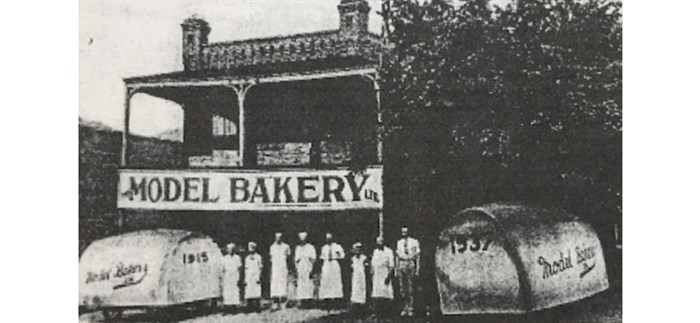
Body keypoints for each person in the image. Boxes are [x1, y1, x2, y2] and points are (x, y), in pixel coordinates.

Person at [396, 226, 421, 317]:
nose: (404, 234)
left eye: (405, 232)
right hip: (402, 264)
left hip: (410, 263)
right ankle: (404, 307)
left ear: (408, 232)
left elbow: (417, 256)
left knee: (410, 287)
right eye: (402, 232)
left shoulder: (414, 242)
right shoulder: (399, 243)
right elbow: (397, 257)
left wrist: (417, 269)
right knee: (403, 288)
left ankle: (410, 308)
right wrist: (397, 269)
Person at [319, 232, 345, 310]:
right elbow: (322, 257)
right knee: (326, 281)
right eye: (327, 238)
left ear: (333, 238)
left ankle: (336, 302)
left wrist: (338, 255)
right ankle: (327, 302)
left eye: (330, 238)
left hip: (334, 263)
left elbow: (343, 256)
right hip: (327, 263)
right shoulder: (324, 247)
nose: (328, 240)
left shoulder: (338, 246)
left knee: (335, 282)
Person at [371, 236, 395, 318]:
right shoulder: (375, 251)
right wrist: (372, 272)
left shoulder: (389, 251)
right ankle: (377, 313)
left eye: (381, 242)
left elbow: (391, 265)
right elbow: (373, 263)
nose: (379, 244)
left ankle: (387, 313)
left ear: (383, 242)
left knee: (386, 293)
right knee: (377, 293)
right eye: (378, 242)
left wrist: (389, 276)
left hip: (385, 273)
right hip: (377, 274)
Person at [269, 232, 291, 310]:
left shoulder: (286, 247)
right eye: (277, 237)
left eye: (280, 237)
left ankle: (283, 302)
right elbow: (271, 258)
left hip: (282, 268)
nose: (278, 238)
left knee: (283, 284)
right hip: (275, 268)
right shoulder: (272, 247)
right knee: (275, 284)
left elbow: (288, 258)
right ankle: (275, 302)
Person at [295, 231, 317, 308]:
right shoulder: (298, 248)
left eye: (304, 239)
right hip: (301, 268)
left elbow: (313, 258)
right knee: (301, 284)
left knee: (309, 284)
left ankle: (309, 302)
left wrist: (312, 268)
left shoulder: (310, 247)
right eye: (301, 239)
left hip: (308, 267)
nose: (302, 241)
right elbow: (296, 260)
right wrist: (297, 268)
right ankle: (302, 301)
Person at [221, 243, 243, 313]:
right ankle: (227, 308)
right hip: (227, 276)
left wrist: (238, 277)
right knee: (227, 292)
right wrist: (223, 277)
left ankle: (234, 308)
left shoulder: (237, 258)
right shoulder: (224, 258)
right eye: (229, 249)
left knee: (234, 291)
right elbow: (223, 269)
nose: (230, 250)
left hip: (234, 276)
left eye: (231, 249)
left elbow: (239, 268)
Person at [350, 242, 369, 316]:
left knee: (362, 290)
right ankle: (355, 308)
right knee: (355, 290)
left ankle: (362, 308)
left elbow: (366, 268)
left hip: (362, 277)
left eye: (359, 249)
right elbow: (352, 268)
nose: (357, 251)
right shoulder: (353, 259)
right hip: (355, 277)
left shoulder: (364, 258)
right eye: (356, 249)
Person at [244, 241, 263, 312]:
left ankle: (257, 307)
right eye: (249, 248)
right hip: (249, 276)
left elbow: (260, 267)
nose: (250, 249)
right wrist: (246, 278)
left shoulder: (258, 257)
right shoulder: (247, 258)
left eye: (252, 247)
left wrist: (259, 276)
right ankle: (249, 307)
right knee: (249, 291)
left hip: (256, 275)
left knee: (256, 291)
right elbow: (246, 268)